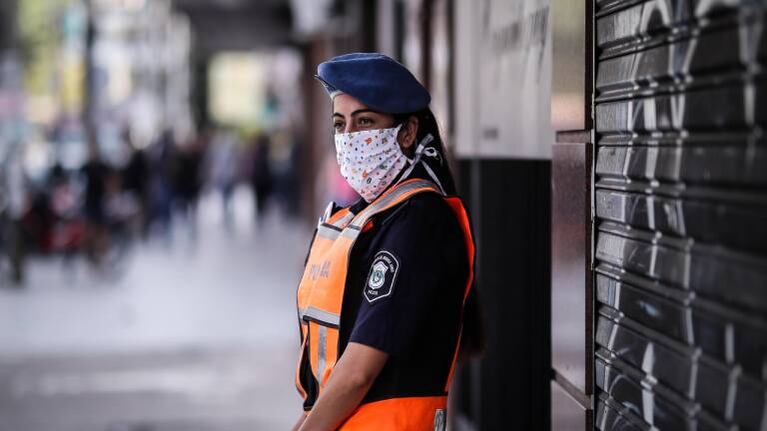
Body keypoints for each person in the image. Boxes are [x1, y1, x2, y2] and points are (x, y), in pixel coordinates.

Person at [293, 53, 481, 431]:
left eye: (364, 122)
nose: (350, 138)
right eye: (339, 124)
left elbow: (359, 371)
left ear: (408, 132)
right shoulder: (367, 219)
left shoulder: (419, 221)